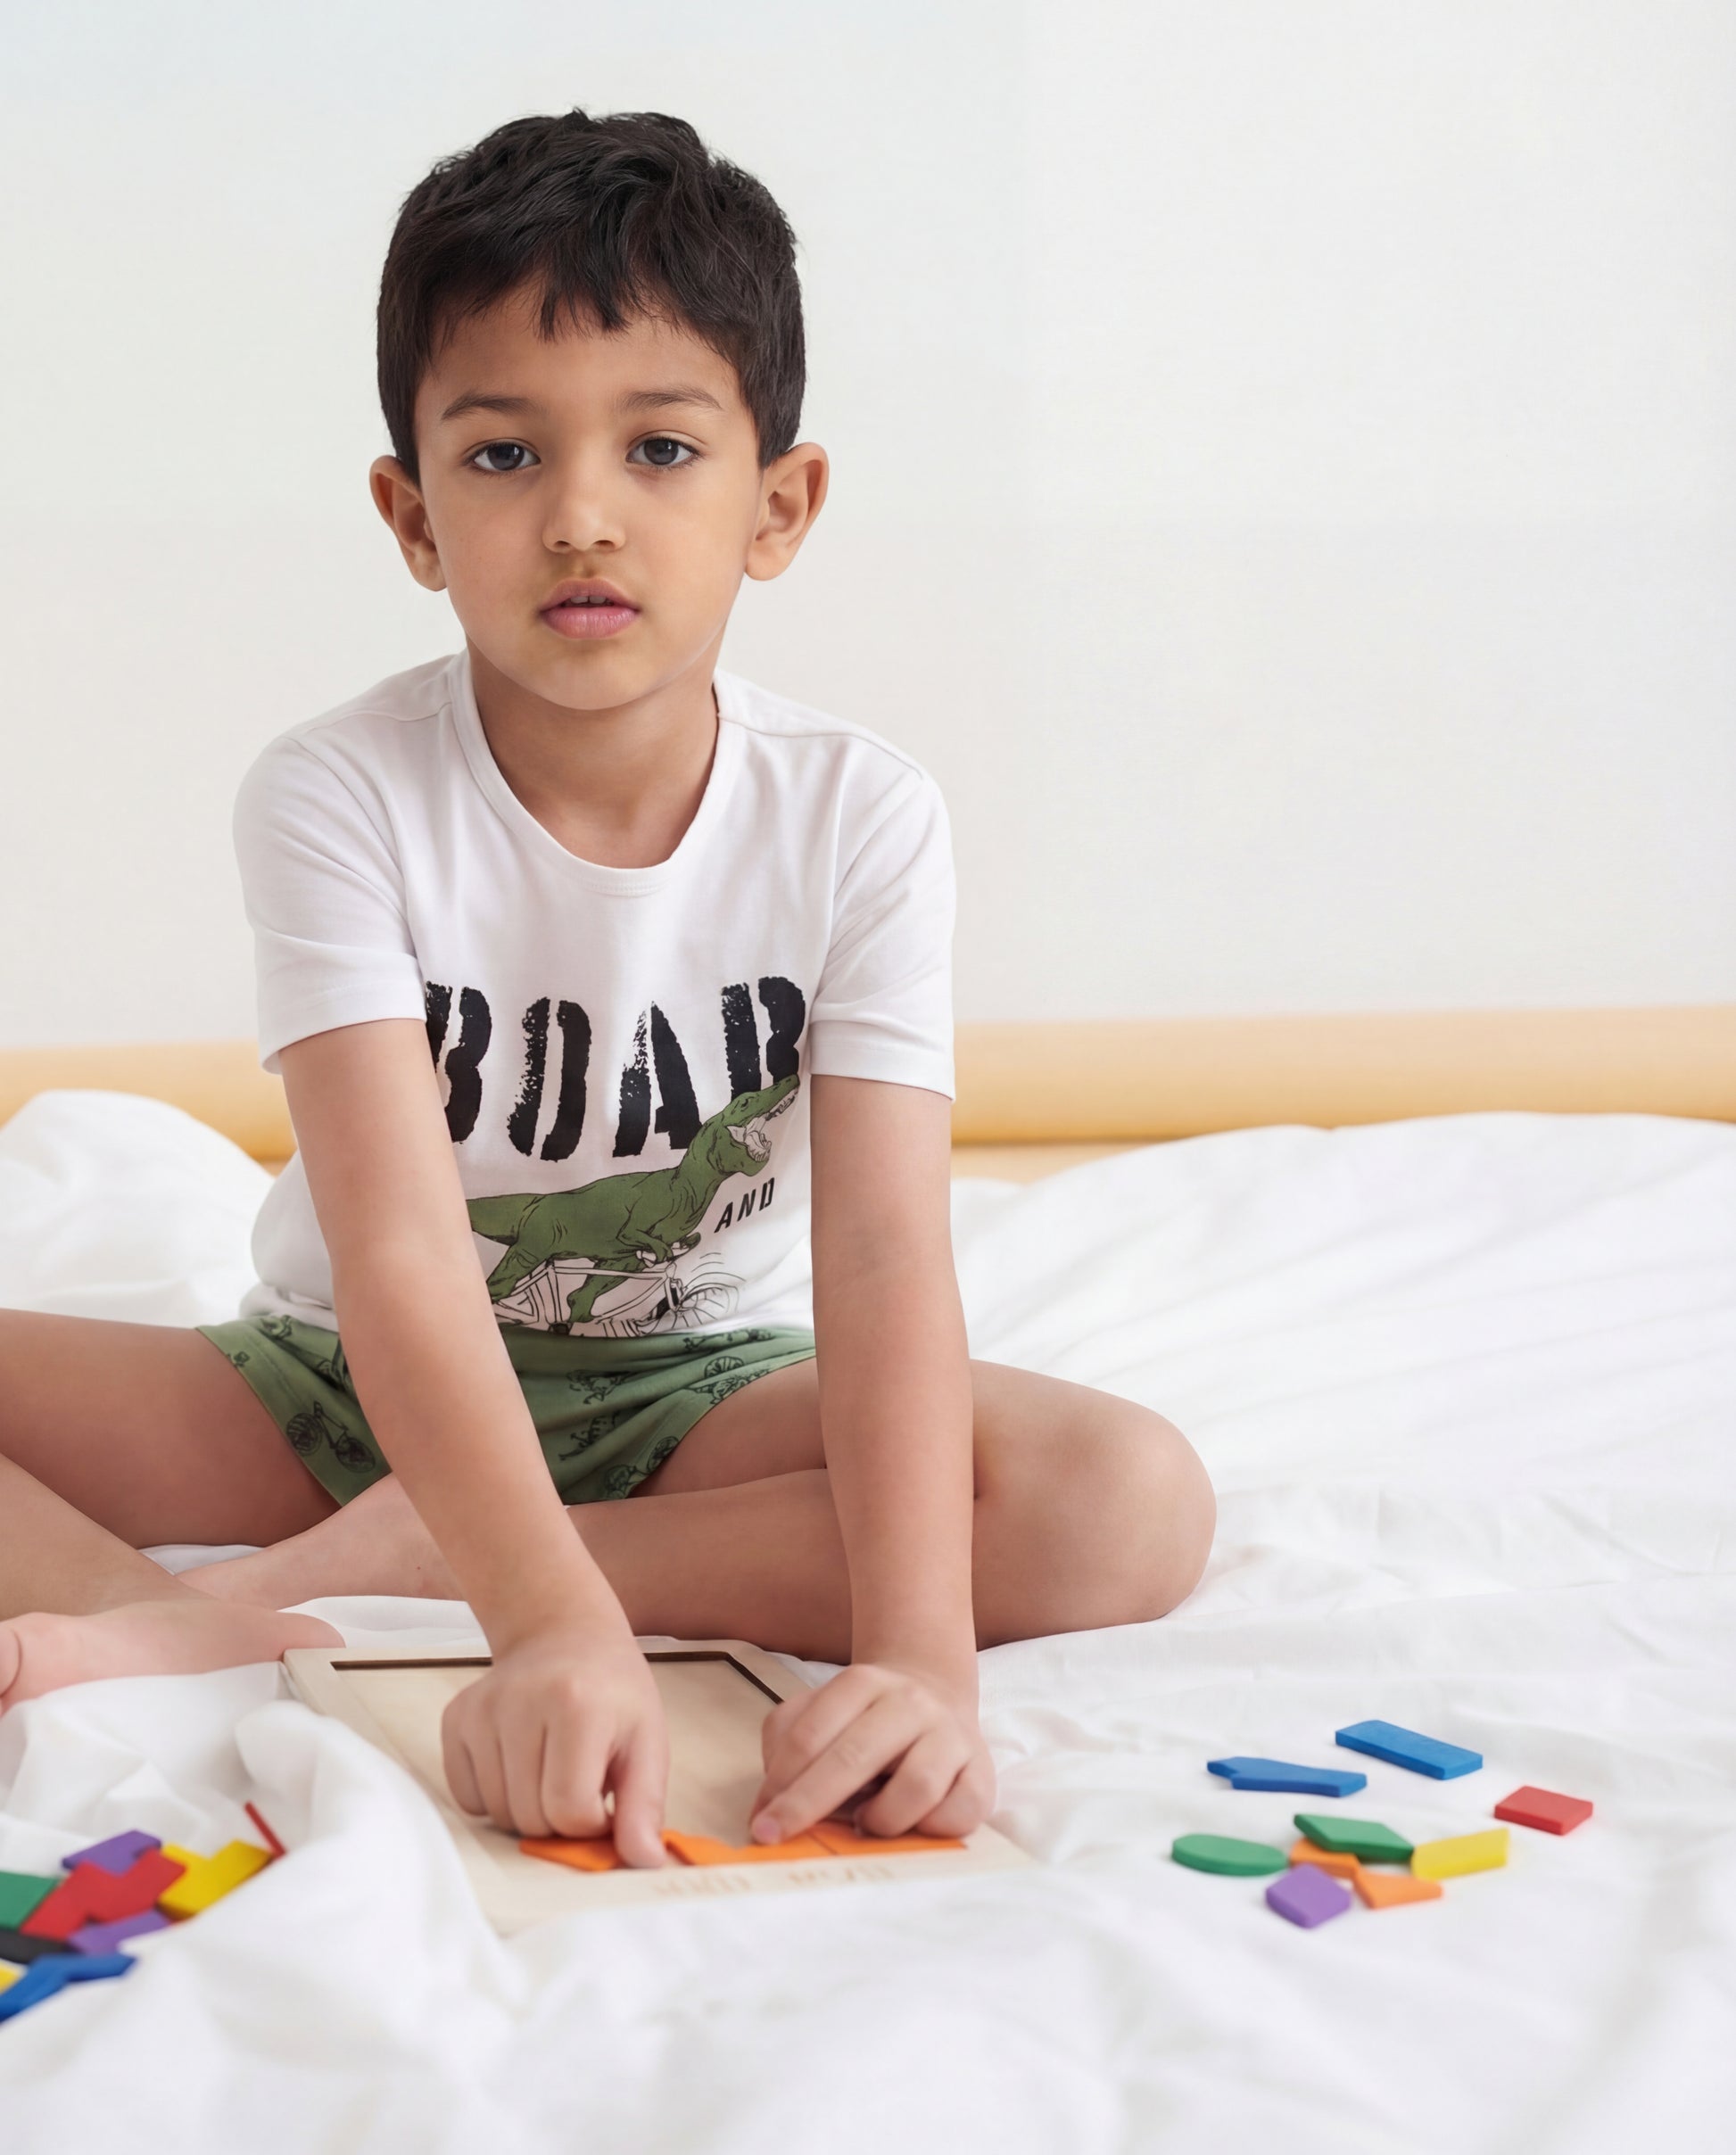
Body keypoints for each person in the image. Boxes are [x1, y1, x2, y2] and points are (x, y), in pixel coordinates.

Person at [0, 110, 1214, 1866]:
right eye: (502, 458)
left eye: (658, 448)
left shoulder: (858, 814)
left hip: (689, 1397)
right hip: (341, 1380)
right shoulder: (336, 791)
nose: (581, 516)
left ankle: (390, 1574)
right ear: (410, 516)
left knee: (1127, 1499)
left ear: (776, 505)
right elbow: (406, 1253)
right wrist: (551, 1632)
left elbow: (881, 1256)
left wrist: (920, 1659)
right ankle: (236, 1623)